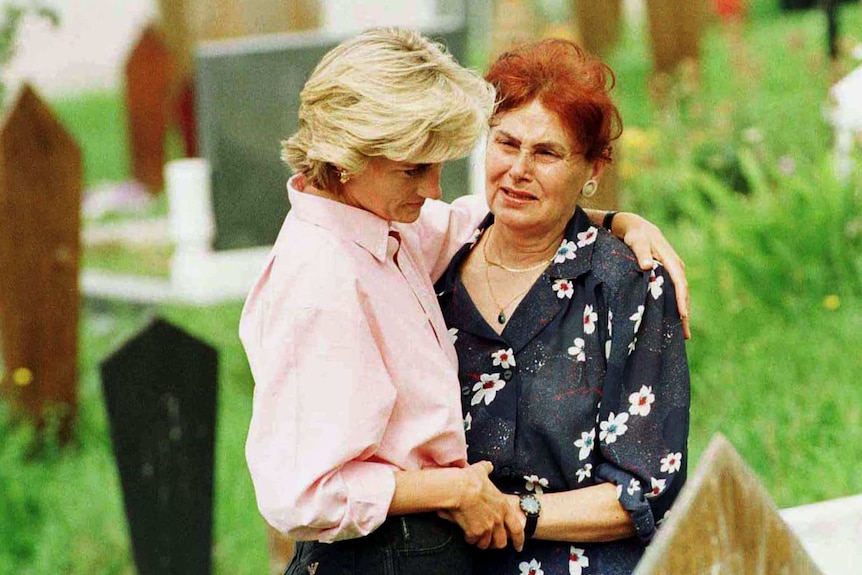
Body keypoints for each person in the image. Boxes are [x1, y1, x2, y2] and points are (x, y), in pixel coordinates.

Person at [239, 28, 688, 575]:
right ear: (348, 156)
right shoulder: (320, 281)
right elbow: (303, 493)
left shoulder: (394, 227)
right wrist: (454, 489)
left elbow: (492, 215)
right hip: (380, 556)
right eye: (414, 168)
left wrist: (617, 221)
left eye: (547, 152)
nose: (433, 189)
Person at [434, 39, 690, 575]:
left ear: (592, 170)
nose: (518, 169)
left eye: (546, 153)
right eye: (506, 143)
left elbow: (643, 487)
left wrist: (512, 511)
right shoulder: (434, 262)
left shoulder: (628, 284)